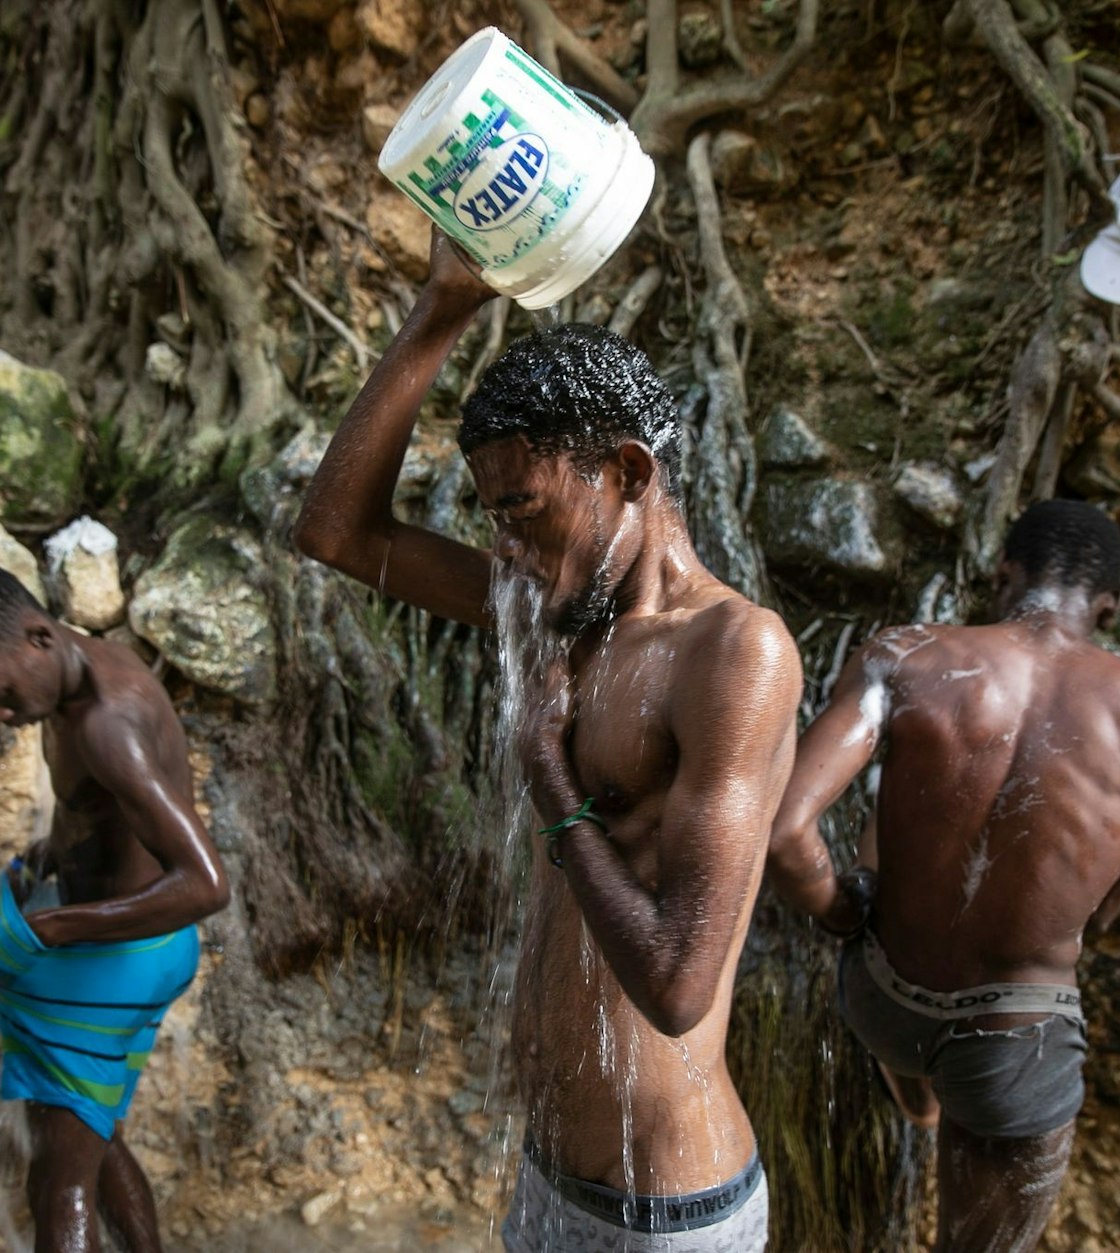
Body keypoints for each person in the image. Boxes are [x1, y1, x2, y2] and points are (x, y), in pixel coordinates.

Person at [295, 235, 801, 1251]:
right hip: (553, 1184)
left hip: (664, 1214)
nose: (504, 549)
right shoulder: (562, 615)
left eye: (522, 509)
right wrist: (441, 310)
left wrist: (548, 778)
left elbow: (675, 985)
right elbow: (336, 534)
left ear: (624, 470)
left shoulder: (732, 651)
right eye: (491, 518)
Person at [766, 499, 1120, 1252]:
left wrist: (840, 910)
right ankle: (954, 1110)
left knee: (900, 807)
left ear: (1005, 576)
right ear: (1109, 606)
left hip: (882, 996)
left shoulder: (901, 657)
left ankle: (924, 1106)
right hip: (1013, 1036)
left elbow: (784, 832)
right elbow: (1115, 893)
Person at [0, 555, 231, 1253]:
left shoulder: (108, 722)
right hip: (124, 953)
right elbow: (98, 806)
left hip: (116, 960)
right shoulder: (72, 675)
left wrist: (54, 925)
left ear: (36, 637)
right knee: (93, 1139)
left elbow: (206, 884)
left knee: (59, 1184)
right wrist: (56, 851)